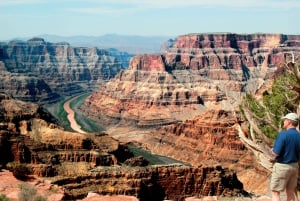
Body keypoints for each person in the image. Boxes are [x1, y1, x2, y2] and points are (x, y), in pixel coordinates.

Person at [270, 112, 300, 201]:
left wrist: (272, 150)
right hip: (294, 166)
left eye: (285, 120)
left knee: (275, 192)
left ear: (289, 122)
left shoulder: (283, 134)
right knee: (290, 192)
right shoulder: (299, 135)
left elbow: (276, 153)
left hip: (282, 166)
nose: (284, 122)